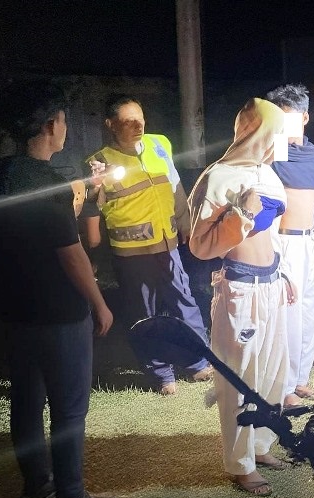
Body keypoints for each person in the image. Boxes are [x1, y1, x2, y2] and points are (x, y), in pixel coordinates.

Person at [0, 80, 114, 498]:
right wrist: (99, 303)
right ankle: (71, 497)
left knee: (26, 402)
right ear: (51, 125)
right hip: (59, 310)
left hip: (14, 305)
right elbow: (70, 254)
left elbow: (32, 229)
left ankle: (36, 488)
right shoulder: (49, 182)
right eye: (64, 120)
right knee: (69, 409)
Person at [188, 97, 296, 497]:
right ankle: (240, 465)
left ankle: (261, 445)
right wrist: (241, 215)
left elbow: (274, 233)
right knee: (240, 380)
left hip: (272, 285)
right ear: (257, 132)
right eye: (277, 133)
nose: (281, 141)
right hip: (239, 290)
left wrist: (284, 272)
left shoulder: (267, 173)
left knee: (272, 374)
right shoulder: (218, 177)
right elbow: (200, 246)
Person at [87, 95, 213, 395]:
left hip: (168, 245)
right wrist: (94, 186)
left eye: (140, 119)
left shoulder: (159, 144)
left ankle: (198, 362)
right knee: (145, 314)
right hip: (132, 255)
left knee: (185, 302)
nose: (138, 126)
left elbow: (174, 183)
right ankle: (161, 374)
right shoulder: (99, 162)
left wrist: (184, 219)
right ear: (110, 124)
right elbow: (92, 208)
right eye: (129, 121)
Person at [264, 84, 314, 408]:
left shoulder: (313, 152)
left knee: (310, 309)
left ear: (305, 116)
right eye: (278, 117)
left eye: (291, 117)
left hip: (312, 238)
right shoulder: (276, 151)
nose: (284, 124)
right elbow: (309, 158)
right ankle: (283, 387)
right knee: (290, 312)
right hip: (286, 242)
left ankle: (299, 378)